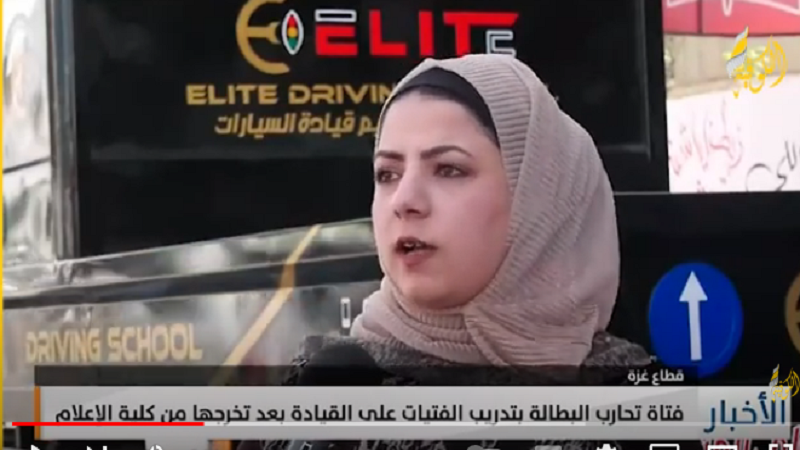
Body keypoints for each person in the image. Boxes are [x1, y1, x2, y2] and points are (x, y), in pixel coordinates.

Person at [240, 54, 661, 450]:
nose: (404, 200)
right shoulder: (325, 389)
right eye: (387, 173)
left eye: (449, 169)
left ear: (539, 198)